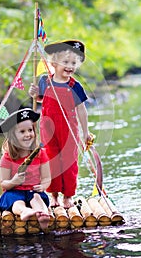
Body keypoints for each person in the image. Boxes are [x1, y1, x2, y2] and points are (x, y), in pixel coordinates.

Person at [29, 40, 93, 209]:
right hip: (48, 127)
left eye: (74, 63)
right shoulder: (45, 81)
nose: (70, 66)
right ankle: (54, 195)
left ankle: (68, 196)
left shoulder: (75, 86)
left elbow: (81, 110)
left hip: (68, 128)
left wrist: (85, 132)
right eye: (65, 62)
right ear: (54, 63)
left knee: (69, 161)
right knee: (51, 160)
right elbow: (39, 98)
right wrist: (34, 94)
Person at [0, 108, 51, 230]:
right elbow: (3, 183)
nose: (28, 134)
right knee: (15, 200)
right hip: (14, 191)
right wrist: (13, 182)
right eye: (22, 131)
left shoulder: (40, 154)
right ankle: (24, 211)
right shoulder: (7, 158)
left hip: (34, 191)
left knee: (37, 197)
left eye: (30, 130)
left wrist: (43, 186)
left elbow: (47, 178)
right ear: (13, 136)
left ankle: (42, 214)